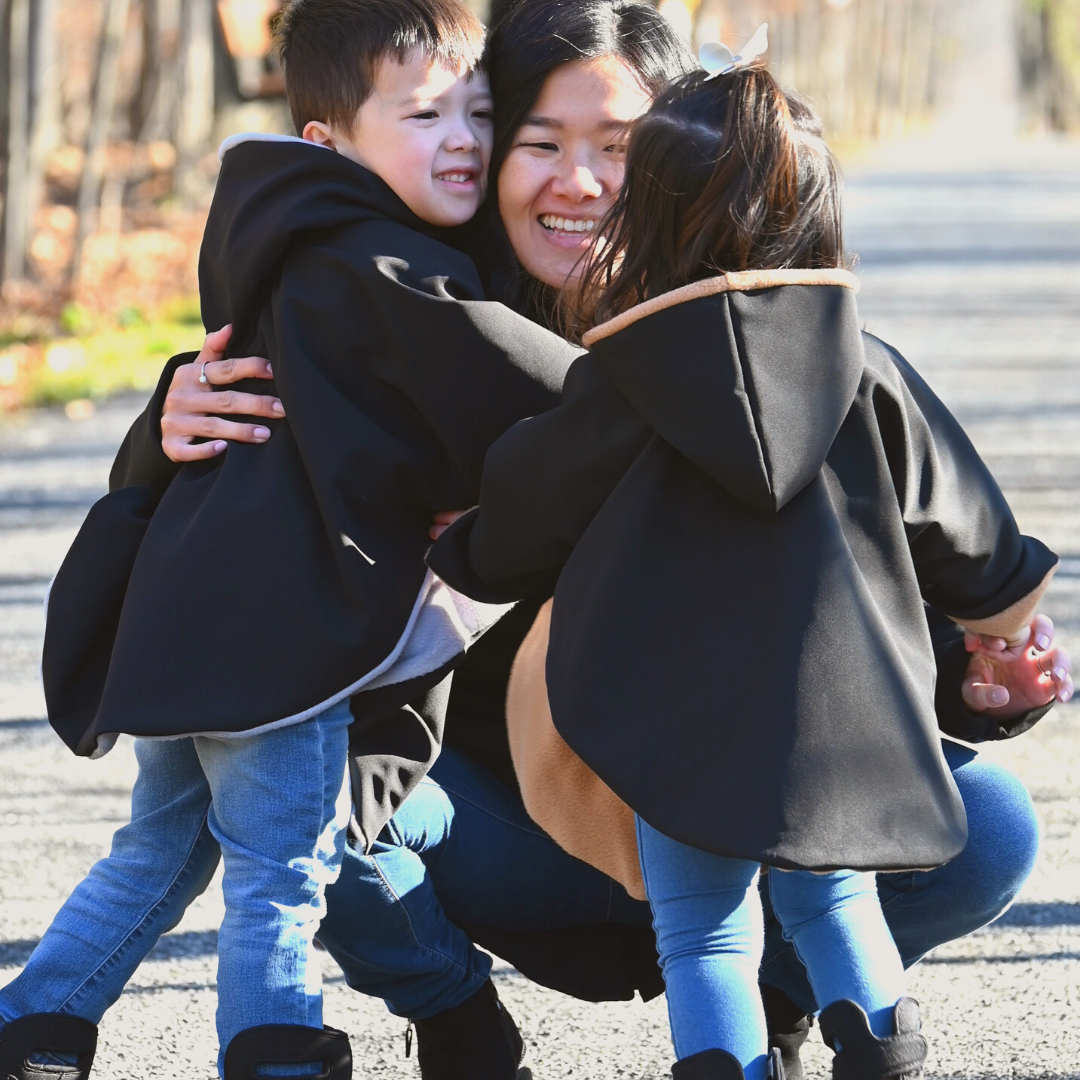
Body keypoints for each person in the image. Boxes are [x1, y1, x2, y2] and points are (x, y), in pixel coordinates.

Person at [95, 2, 1072, 1079]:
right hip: (501, 827)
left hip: (752, 809)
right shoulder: (392, 314)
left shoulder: (779, 348)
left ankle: (776, 1003)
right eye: (540, 144)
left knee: (984, 823)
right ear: (480, 139)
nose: (582, 183)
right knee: (308, 800)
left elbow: (865, 617)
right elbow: (224, 536)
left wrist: (988, 684)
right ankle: (456, 1008)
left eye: (622, 148)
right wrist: (164, 432)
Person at [425, 60, 1060, 1080]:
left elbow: (520, 525)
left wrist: (458, 544)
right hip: (838, 725)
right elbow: (964, 523)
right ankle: (883, 1050)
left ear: (653, 221)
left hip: (669, 734)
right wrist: (1003, 617)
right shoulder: (868, 369)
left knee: (706, 935)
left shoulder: (620, 384)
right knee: (835, 899)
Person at [6, 2, 579, 1078]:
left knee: (160, 849)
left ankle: (38, 1024)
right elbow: (527, 392)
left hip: (188, 617)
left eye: (477, 110)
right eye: (421, 114)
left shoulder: (286, 235)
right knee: (284, 862)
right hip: (285, 635)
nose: (460, 136)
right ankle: (274, 1041)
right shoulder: (385, 264)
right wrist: (640, 399)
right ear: (332, 141)